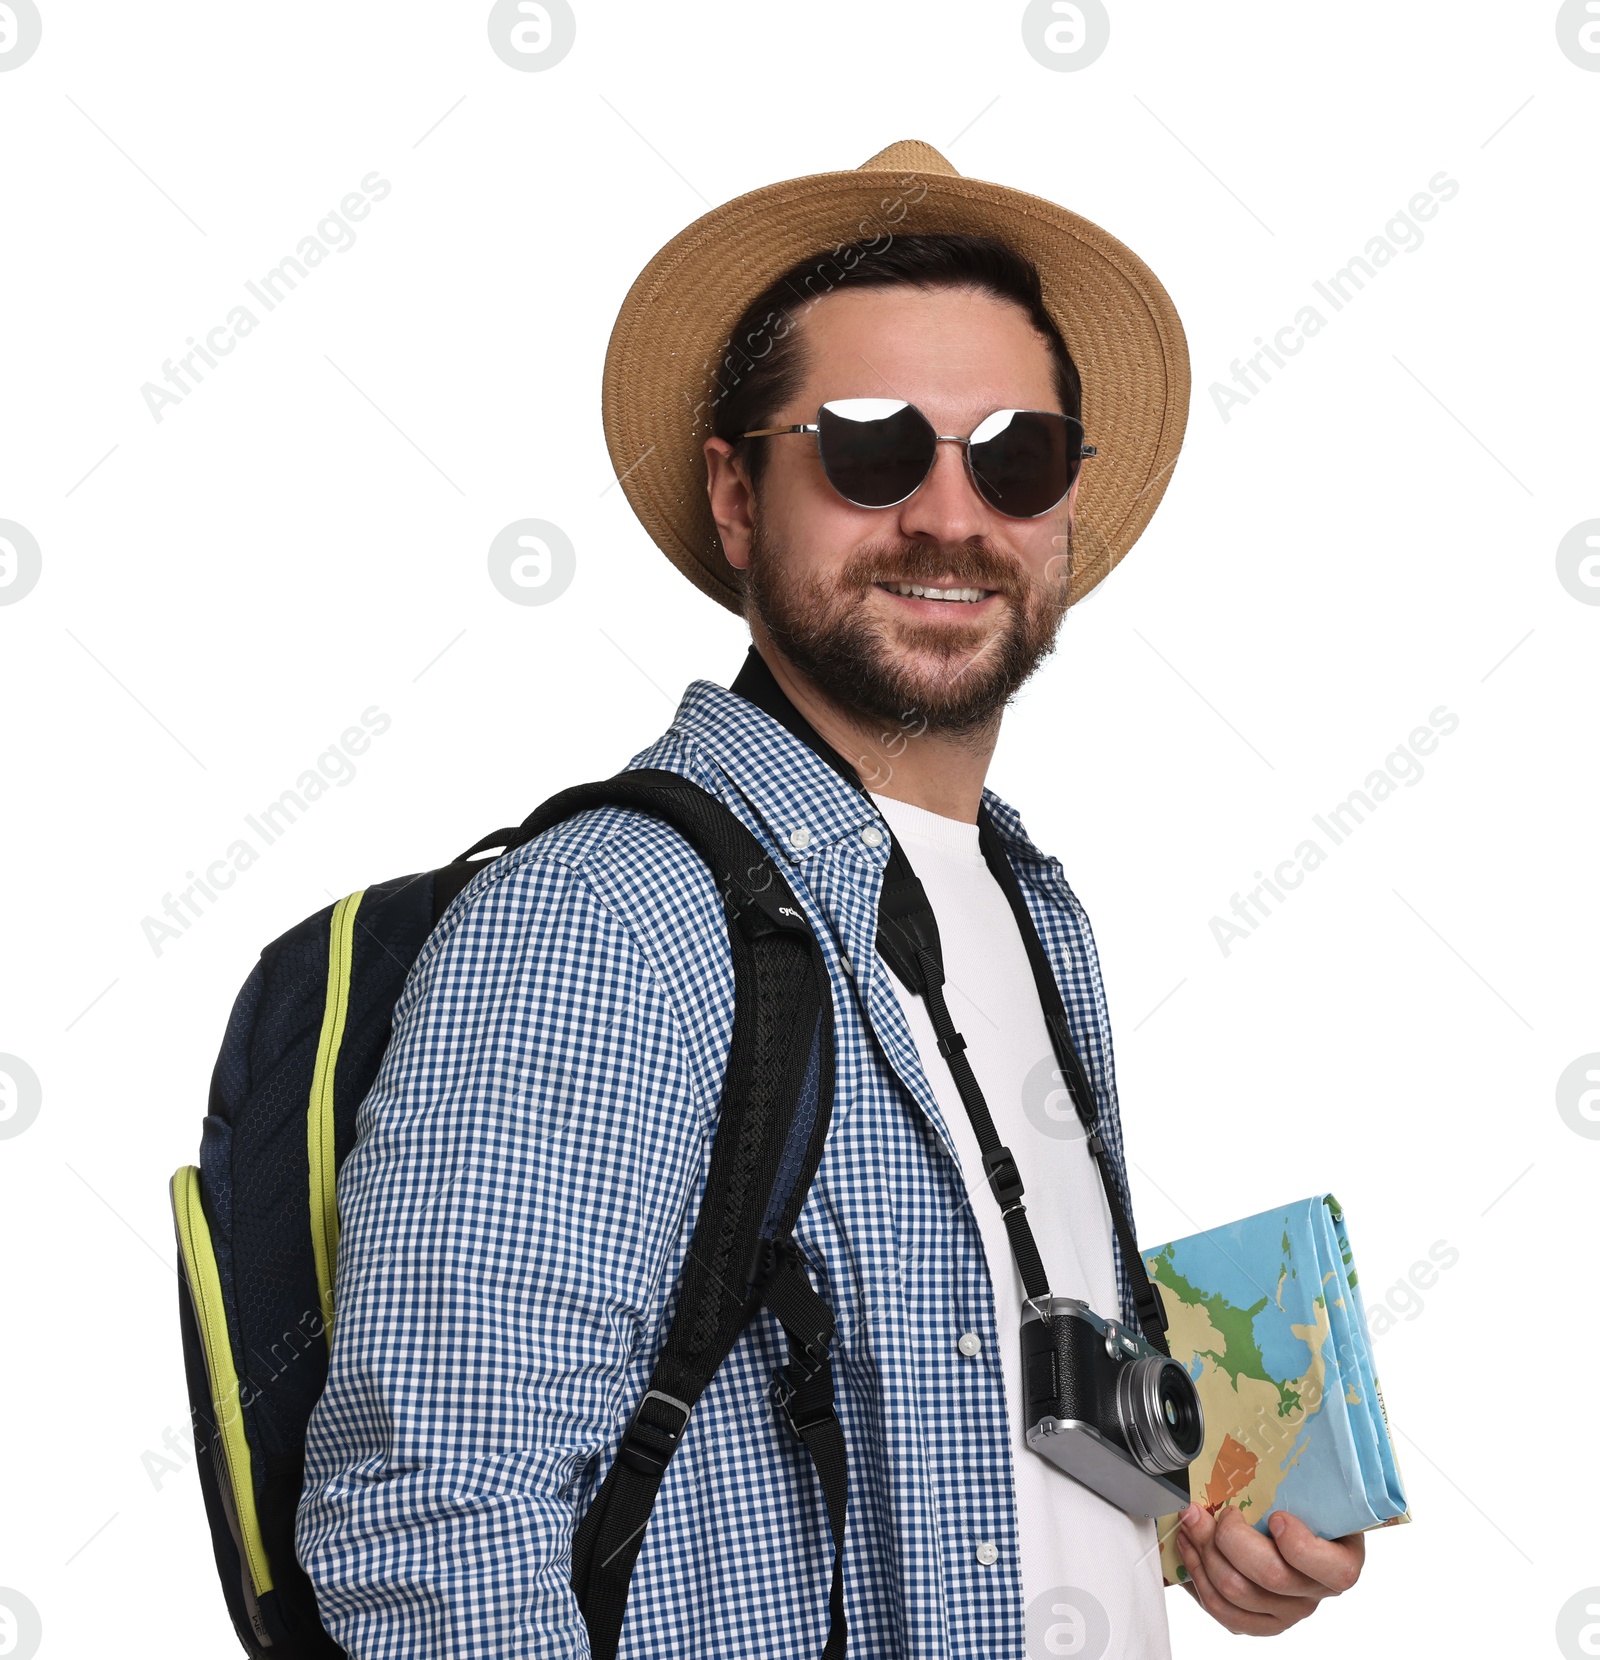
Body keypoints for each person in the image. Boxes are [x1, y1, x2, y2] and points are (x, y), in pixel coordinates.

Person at [296, 140, 1364, 1658]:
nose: (949, 513)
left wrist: (1197, 1533)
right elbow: (427, 1524)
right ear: (738, 493)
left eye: (1015, 454)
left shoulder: (1026, 907)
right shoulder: (605, 921)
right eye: (869, 449)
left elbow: (987, 1437)